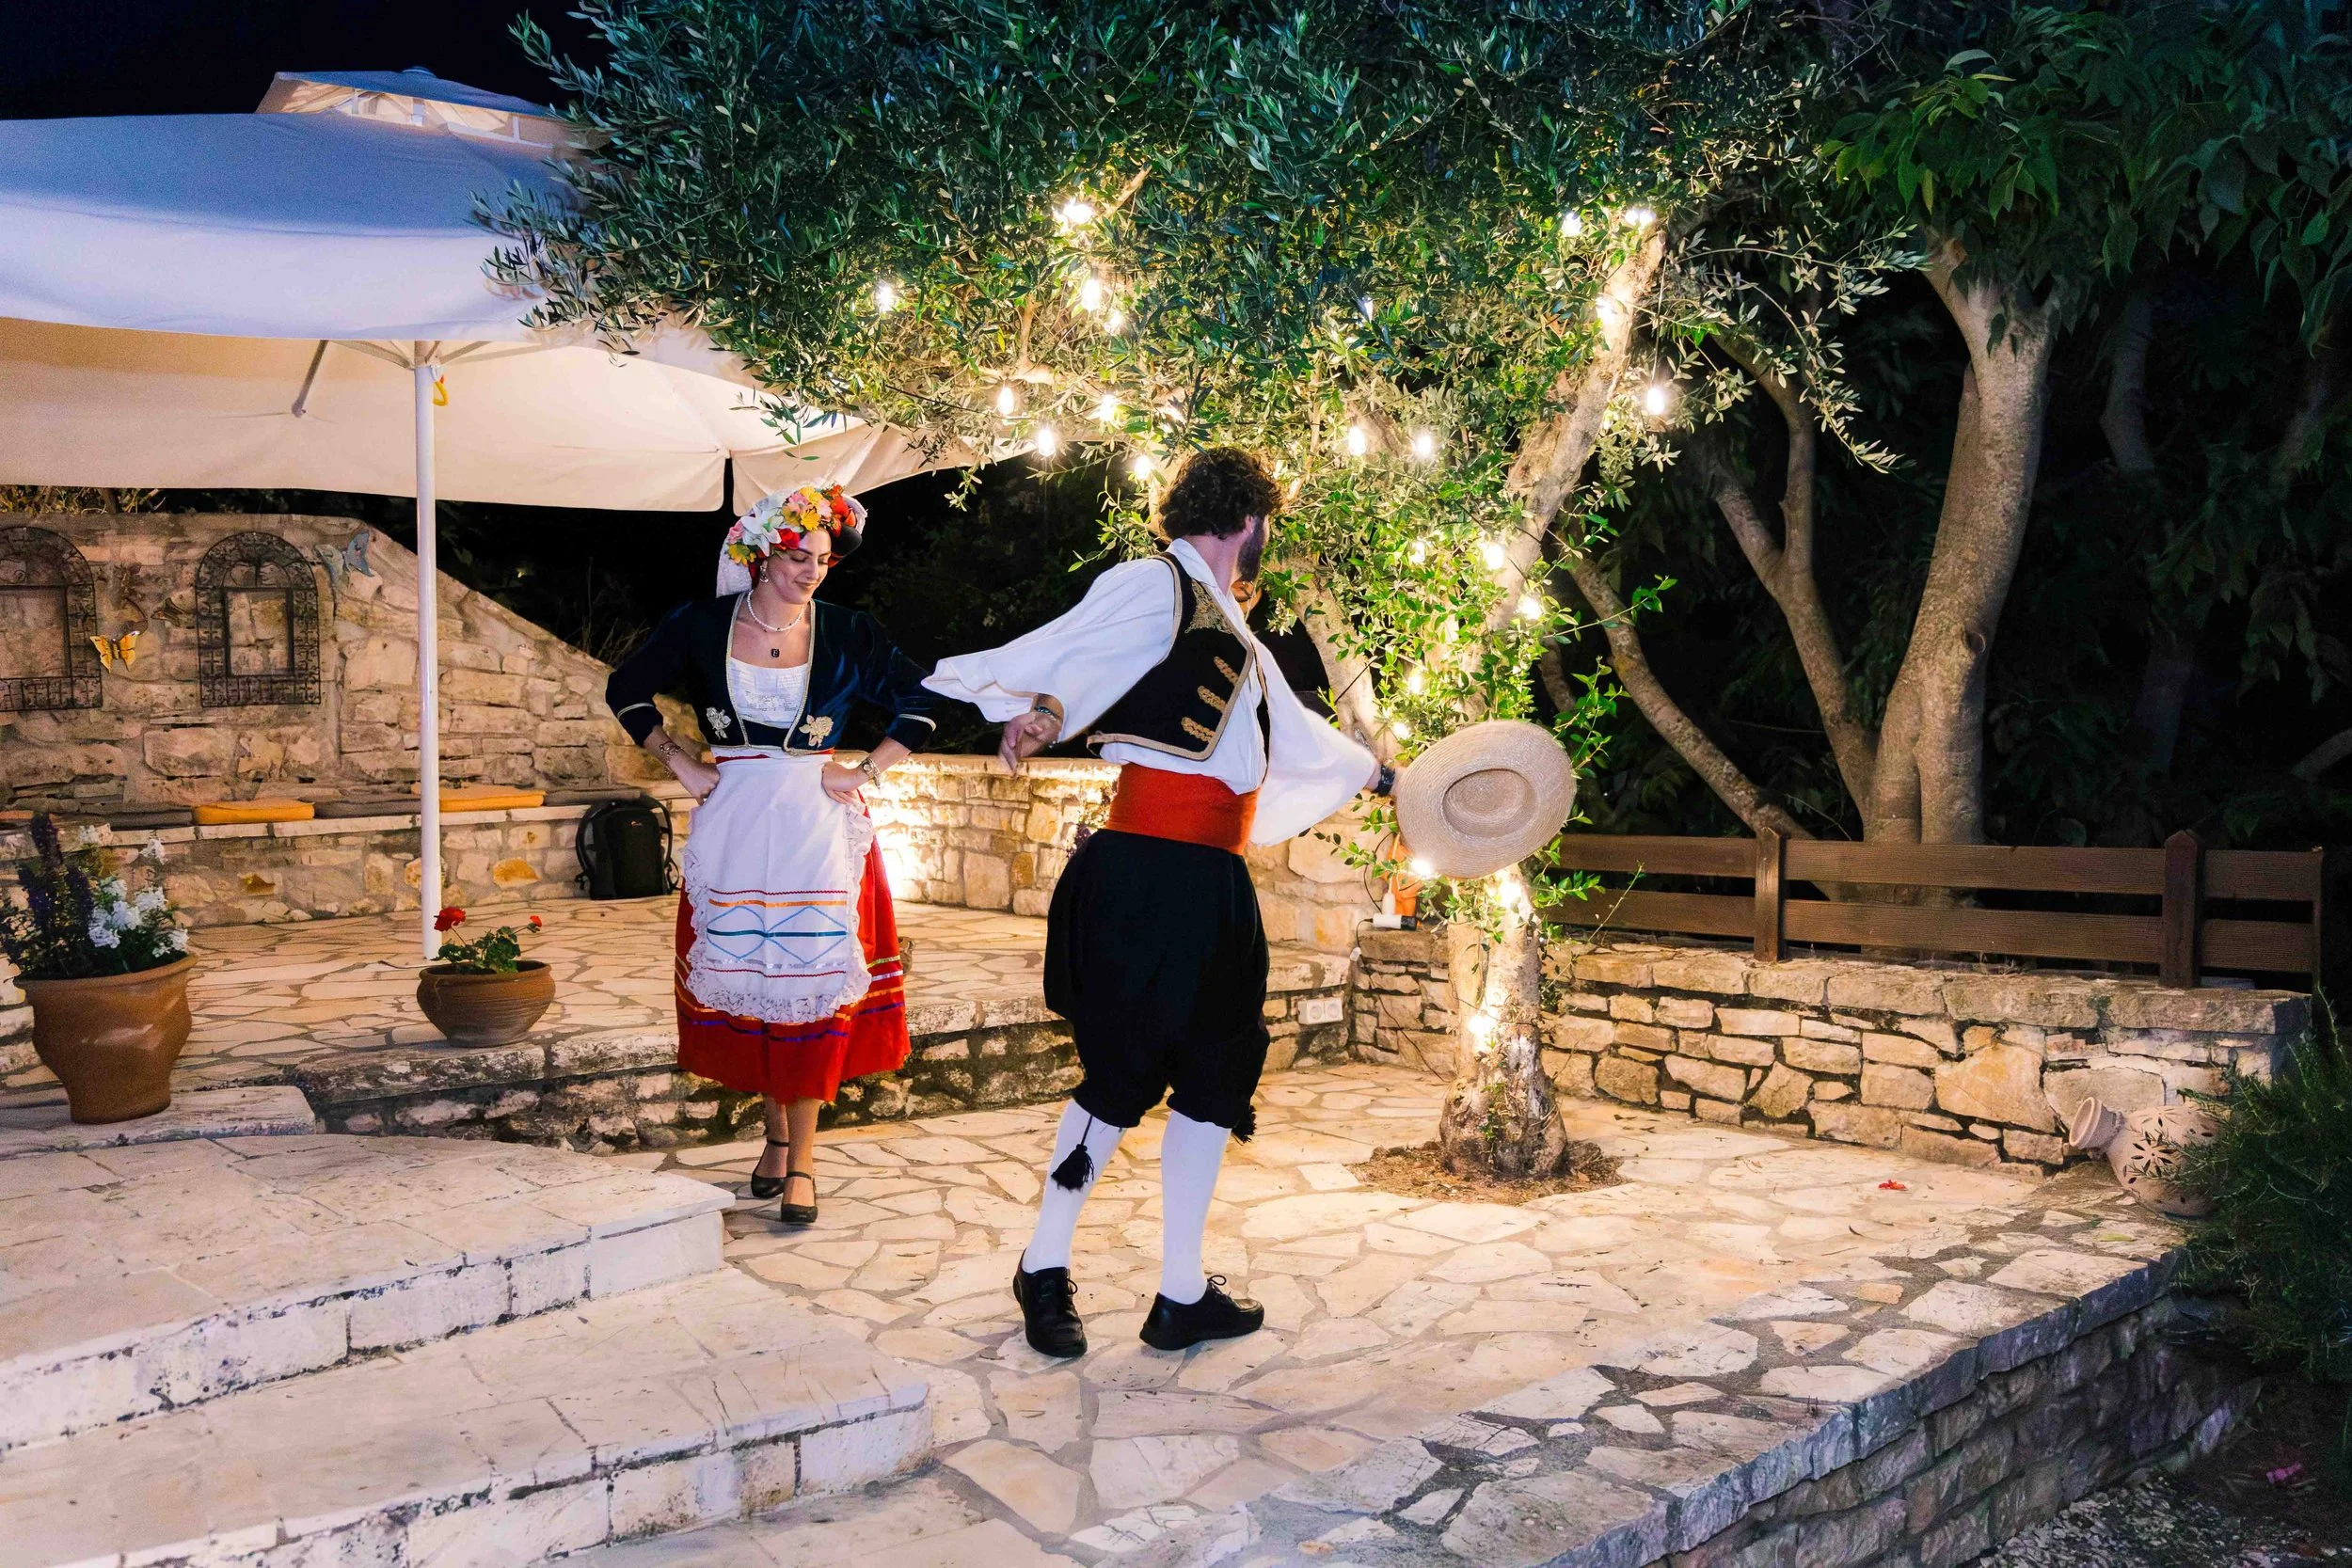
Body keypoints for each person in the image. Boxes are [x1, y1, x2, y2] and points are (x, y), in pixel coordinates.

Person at [925, 447, 1391, 1356]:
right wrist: (1047, 713)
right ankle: (1043, 1264)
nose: (1267, 541)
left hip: (1215, 882)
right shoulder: (1157, 583)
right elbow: (1082, 651)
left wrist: (1383, 777)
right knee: (1124, 1072)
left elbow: (1291, 735)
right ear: (1248, 518)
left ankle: (1181, 1294)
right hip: (1144, 872)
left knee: (1215, 1075)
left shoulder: (1231, 624)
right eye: (1268, 525)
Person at [605, 483, 940, 1225]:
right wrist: (679, 761)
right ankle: (774, 1138)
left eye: (821, 559)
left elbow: (923, 701)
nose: (811, 570)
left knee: (808, 985)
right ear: (760, 554)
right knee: (759, 984)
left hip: (816, 825)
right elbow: (625, 687)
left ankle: (804, 1164)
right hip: (735, 820)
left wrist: (865, 770)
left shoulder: (850, 632)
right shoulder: (701, 623)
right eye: (796, 556)